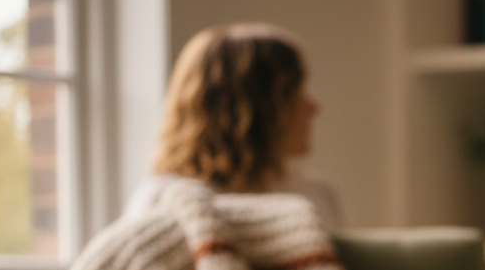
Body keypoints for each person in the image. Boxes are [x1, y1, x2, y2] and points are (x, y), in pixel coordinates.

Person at [124, 23, 344, 229]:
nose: (313, 107)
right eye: (292, 93)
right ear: (252, 110)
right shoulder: (161, 203)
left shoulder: (315, 195)